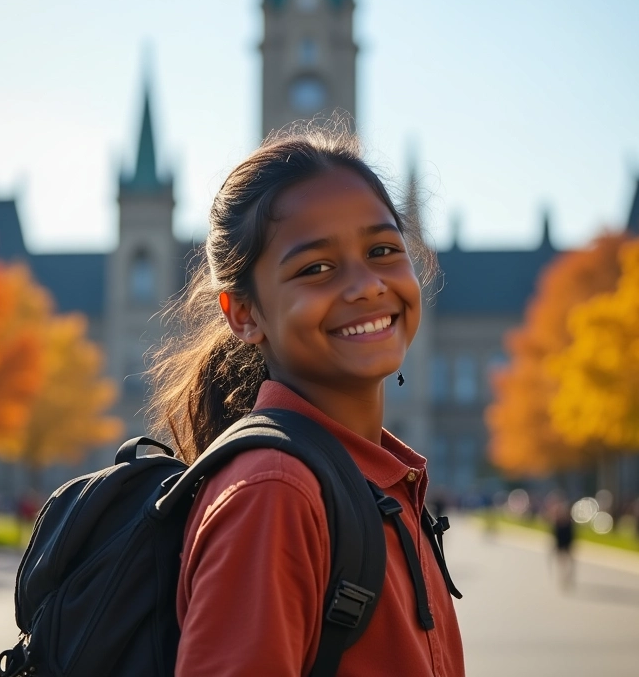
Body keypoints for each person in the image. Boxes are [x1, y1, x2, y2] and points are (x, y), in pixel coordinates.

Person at [148, 123, 465, 676]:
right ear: (244, 314)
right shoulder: (275, 493)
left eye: (383, 249)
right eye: (316, 268)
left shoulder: (377, 479)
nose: (367, 285)